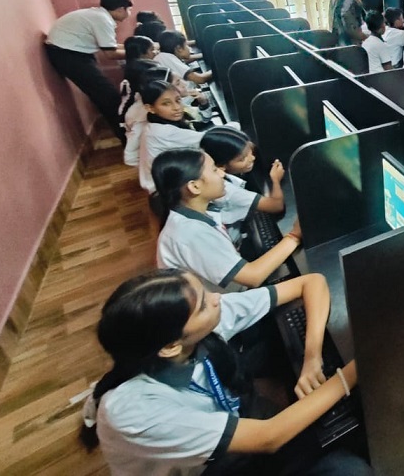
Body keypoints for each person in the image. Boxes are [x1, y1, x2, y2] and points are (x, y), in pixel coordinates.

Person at [81, 268, 371, 475]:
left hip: (230, 429)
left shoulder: (195, 329)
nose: (216, 299)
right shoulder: (131, 411)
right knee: (350, 469)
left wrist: (312, 356)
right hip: (203, 467)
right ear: (170, 346)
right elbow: (269, 437)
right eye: (202, 306)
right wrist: (356, 369)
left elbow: (312, 282)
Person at [153, 149, 300, 290]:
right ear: (195, 186)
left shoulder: (192, 214)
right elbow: (253, 277)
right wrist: (294, 236)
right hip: (221, 301)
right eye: (214, 170)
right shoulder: (190, 234)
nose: (222, 174)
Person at [45, 0, 134, 143]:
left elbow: (110, 46)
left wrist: (136, 48)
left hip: (71, 52)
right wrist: (139, 53)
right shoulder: (102, 20)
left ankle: (126, 134)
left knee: (105, 95)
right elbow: (110, 53)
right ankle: (127, 139)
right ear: (121, 9)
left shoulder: (98, 15)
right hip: (68, 55)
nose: (129, 13)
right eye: (129, 9)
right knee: (108, 97)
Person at [138, 80, 220, 193]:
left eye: (178, 100)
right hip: (167, 190)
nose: (176, 107)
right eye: (166, 104)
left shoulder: (159, 123)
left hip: (169, 179)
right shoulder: (163, 132)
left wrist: (204, 102)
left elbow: (202, 118)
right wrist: (237, 124)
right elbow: (209, 138)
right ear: (150, 108)